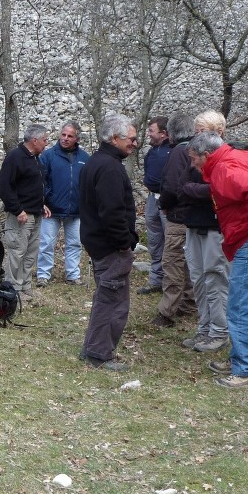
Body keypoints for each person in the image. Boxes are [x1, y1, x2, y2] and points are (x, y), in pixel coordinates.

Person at [189, 131, 248, 387]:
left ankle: (244, 369)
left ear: (207, 155)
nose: (192, 164)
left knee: (241, 306)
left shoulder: (223, 171)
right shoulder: (235, 156)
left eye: (194, 158)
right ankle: (238, 358)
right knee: (240, 302)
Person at [78, 114, 139, 372]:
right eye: (131, 139)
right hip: (110, 246)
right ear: (114, 138)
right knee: (113, 301)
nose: (135, 144)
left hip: (100, 243)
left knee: (108, 296)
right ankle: (99, 353)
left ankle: (94, 347)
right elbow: (112, 213)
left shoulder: (97, 162)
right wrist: (125, 243)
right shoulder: (109, 168)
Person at [178, 110, 231, 353]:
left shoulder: (229, 159)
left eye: (202, 130)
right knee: (199, 278)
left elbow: (218, 191)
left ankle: (219, 332)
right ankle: (204, 328)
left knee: (215, 277)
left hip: (215, 228)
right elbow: (180, 187)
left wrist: (195, 191)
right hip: (194, 224)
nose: (196, 135)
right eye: (196, 130)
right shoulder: (195, 156)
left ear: (218, 133)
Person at [154, 111, 198, 328]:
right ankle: (189, 303)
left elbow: (171, 187)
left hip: (178, 218)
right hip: (195, 218)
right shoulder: (198, 151)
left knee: (172, 263)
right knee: (190, 264)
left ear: (171, 133)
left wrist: (164, 204)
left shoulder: (177, 153)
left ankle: (167, 312)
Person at [0, 124, 50, 304]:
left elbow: (33, 186)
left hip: (35, 214)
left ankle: (25, 285)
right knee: (17, 251)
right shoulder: (15, 157)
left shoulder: (36, 158)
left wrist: (42, 204)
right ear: (34, 140)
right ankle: (12, 287)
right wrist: (17, 209)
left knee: (31, 252)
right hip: (21, 215)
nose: (47, 143)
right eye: (44, 140)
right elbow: (4, 187)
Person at [37, 121, 89, 287]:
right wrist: (44, 199)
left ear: (77, 138)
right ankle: (43, 275)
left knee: (74, 243)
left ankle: (72, 275)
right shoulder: (48, 155)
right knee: (46, 243)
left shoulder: (84, 158)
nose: (65, 139)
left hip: (76, 210)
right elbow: (39, 180)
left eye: (70, 136)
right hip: (51, 210)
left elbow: (88, 183)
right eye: (63, 135)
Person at [139, 116, 171, 295]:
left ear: (163, 134)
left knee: (171, 241)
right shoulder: (152, 152)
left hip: (167, 201)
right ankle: (156, 279)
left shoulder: (173, 152)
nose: (148, 134)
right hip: (152, 199)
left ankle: (171, 281)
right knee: (154, 240)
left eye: (151, 130)